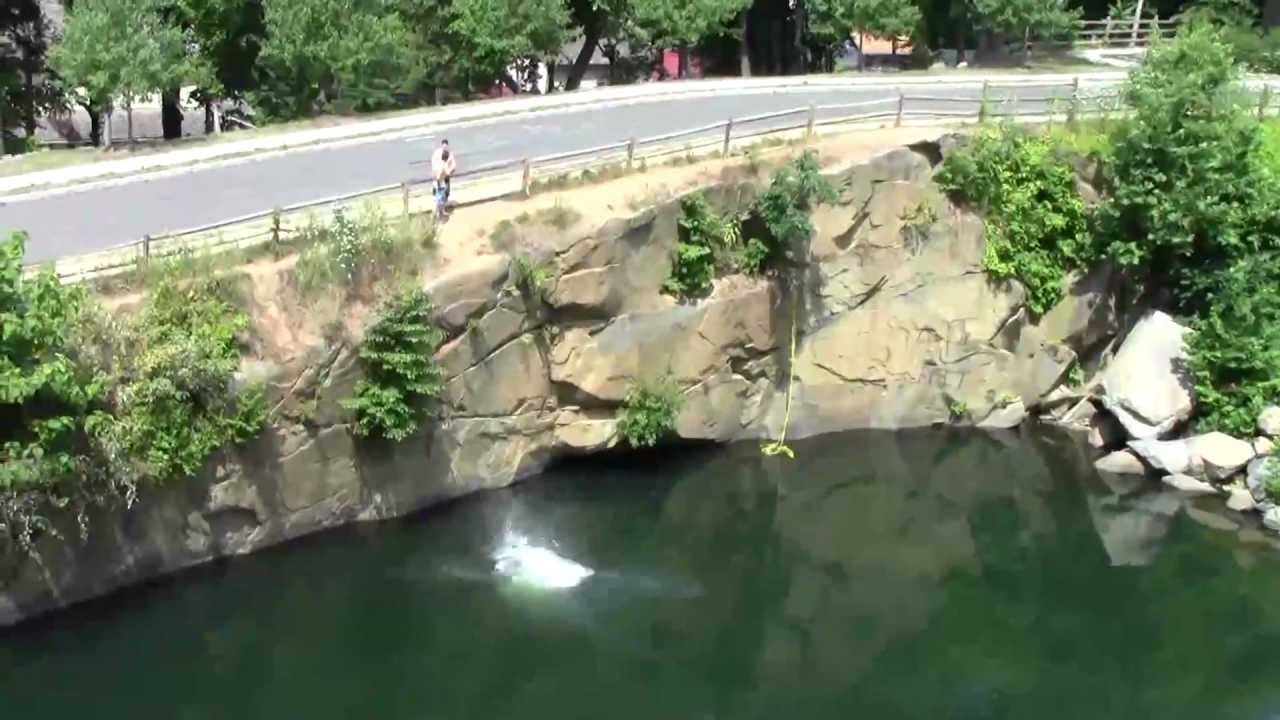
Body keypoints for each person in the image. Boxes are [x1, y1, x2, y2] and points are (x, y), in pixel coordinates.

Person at [431, 139, 457, 219]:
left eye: (446, 145)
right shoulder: (437, 154)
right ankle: (437, 214)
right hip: (439, 181)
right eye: (444, 145)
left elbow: (453, 166)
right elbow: (434, 164)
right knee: (438, 199)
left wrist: (449, 171)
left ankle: (440, 213)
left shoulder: (449, 155)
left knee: (442, 197)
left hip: (442, 181)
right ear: (442, 145)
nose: (445, 147)